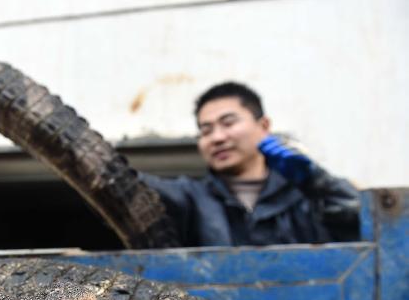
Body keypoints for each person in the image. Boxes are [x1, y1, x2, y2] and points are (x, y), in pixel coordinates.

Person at [140, 82, 360, 247]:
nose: (217, 137)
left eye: (228, 123)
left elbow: (361, 219)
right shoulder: (192, 198)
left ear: (264, 125)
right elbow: (135, 186)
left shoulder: (304, 198)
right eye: (206, 130)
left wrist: (315, 181)